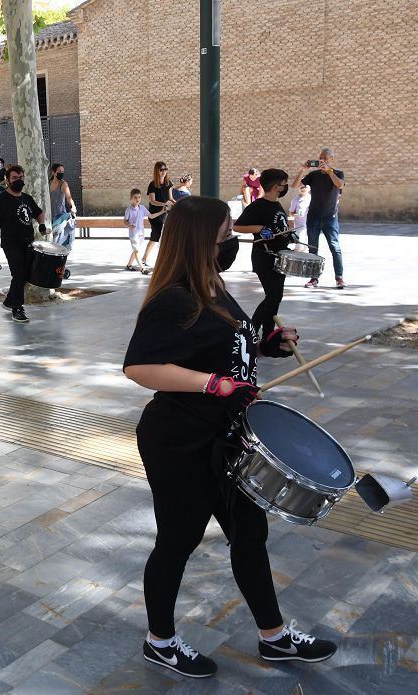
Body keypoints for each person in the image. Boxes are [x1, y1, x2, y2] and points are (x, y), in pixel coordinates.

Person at [123, 195, 336, 679]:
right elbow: (139, 367)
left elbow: (221, 347)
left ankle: (274, 637)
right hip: (179, 439)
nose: (233, 244)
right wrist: (211, 384)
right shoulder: (172, 297)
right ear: (202, 242)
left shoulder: (212, 287)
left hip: (227, 435)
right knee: (178, 540)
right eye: (225, 237)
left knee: (249, 534)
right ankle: (160, 641)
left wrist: (265, 345)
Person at [0, 165, 47, 323]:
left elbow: (39, 213)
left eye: (21, 178)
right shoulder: (0, 200)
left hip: (28, 243)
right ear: (7, 180)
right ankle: (17, 308)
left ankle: (10, 301)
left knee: (25, 276)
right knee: (18, 274)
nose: (18, 181)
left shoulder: (26, 198)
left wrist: (42, 224)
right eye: (14, 178)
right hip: (11, 243)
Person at [233, 168, 292, 338]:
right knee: (274, 295)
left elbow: (279, 226)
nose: (285, 187)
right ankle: (251, 331)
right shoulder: (258, 206)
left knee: (275, 296)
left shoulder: (277, 204)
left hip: (280, 257)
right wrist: (259, 229)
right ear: (275, 187)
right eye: (283, 184)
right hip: (264, 257)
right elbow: (237, 226)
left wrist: (289, 235)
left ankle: (268, 333)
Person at [292, 148, 346, 289]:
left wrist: (329, 171)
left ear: (332, 160)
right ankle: (313, 278)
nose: (323, 160)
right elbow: (295, 185)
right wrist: (303, 170)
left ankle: (339, 278)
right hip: (313, 217)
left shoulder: (338, 173)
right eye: (321, 157)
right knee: (313, 249)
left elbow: (339, 184)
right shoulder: (314, 175)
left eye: (326, 158)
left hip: (330, 218)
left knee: (335, 247)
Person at [124, 189, 164, 274]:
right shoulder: (129, 210)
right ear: (131, 198)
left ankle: (129, 265)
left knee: (136, 250)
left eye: (139, 197)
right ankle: (142, 269)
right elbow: (125, 221)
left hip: (141, 233)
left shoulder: (142, 208)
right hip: (133, 234)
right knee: (137, 250)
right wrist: (129, 225)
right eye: (135, 197)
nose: (137, 199)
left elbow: (151, 216)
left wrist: (162, 211)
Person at [142, 161, 174, 266]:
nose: (164, 172)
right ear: (157, 171)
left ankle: (153, 259)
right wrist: (164, 204)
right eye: (161, 170)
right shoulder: (152, 184)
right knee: (156, 236)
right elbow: (152, 201)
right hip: (155, 215)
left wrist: (177, 203)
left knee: (162, 237)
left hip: (164, 214)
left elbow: (171, 198)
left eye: (165, 169)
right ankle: (145, 258)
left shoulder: (168, 182)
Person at [48, 163, 77, 250]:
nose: (61, 173)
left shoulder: (63, 184)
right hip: (49, 217)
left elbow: (69, 198)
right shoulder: (48, 183)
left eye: (63, 171)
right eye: (59, 171)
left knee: (58, 244)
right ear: (53, 172)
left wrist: (73, 207)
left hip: (60, 217)